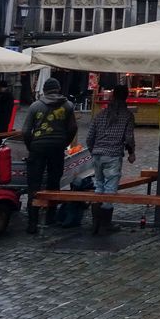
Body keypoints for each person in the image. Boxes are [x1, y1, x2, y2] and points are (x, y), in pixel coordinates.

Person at [21, 77, 77, 234]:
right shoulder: (68, 105)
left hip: (38, 147)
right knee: (54, 181)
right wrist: (64, 141)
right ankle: (50, 217)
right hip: (57, 147)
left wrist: (30, 145)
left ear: (44, 90)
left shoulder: (35, 106)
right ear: (58, 89)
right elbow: (73, 127)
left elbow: (25, 131)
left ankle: (32, 222)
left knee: (34, 184)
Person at [86, 85, 136, 235]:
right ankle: (105, 224)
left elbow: (89, 137)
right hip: (113, 154)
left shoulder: (100, 115)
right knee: (109, 189)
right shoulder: (127, 115)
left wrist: (93, 150)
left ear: (113, 96)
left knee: (99, 186)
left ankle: (96, 222)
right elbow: (128, 137)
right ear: (126, 97)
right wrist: (131, 152)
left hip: (97, 154)